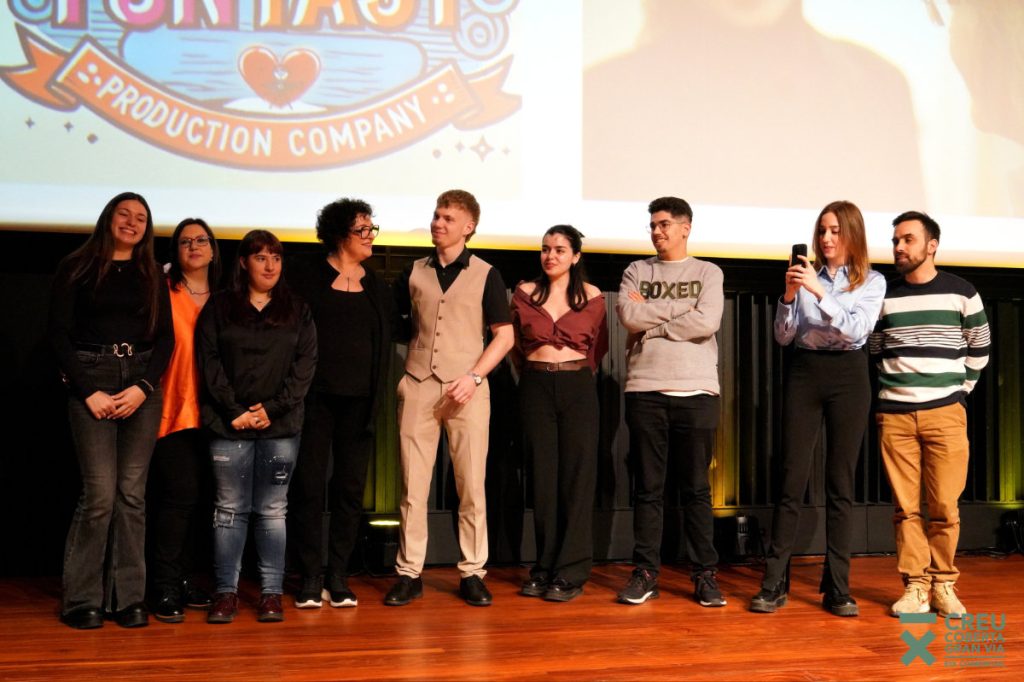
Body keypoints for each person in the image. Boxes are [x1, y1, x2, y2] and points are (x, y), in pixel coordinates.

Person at [748, 201, 885, 617]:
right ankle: (774, 581)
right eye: (822, 230)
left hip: (849, 374)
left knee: (840, 482)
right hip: (805, 371)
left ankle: (838, 586)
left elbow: (857, 330)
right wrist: (789, 297)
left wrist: (820, 292)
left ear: (853, 234)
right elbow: (783, 336)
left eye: (835, 231)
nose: (826, 238)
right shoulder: (805, 276)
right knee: (791, 478)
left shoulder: (872, 281)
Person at [48, 192, 174, 629]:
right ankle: (82, 599)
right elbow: (58, 335)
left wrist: (143, 387)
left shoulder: (152, 272)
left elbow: (166, 339)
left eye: (141, 218)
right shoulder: (77, 266)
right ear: (108, 217)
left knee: (131, 495)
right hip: (92, 378)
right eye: (125, 214)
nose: (132, 222)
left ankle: (128, 599)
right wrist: (88, 392)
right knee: (99, 495)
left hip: (141, 384)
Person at [385, 189, 514, 607]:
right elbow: (398, 325)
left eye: (447, 218)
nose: (437, 223)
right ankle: (409, 573)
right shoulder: (413, 271)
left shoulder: (486, 274)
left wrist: (474, 377)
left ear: (468, 227)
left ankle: (472, 571)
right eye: (436, 216)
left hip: (467, 389)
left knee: (471, 485)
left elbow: (504, 336)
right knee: (412, 486)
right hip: (419, 384)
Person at [869, 211, 990, 618]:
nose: (899, 247)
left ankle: (943, 585)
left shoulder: (962, 292)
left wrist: (958, 392)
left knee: (944, 506)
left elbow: (980, 348)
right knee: (906, 509)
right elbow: (876, 349)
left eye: (908, 239)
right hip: (896, 415)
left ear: (931, 245)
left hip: (945, 413)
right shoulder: (884, 294)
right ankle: (915, 586)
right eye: (895, 241)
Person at [196, 230, 317, 624]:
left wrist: (272, 409)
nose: (270, 266)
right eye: (261, 257)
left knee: (272, 511)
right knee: (229, 509)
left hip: (280, 427)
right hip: (228, 424)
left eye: (276, 258)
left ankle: (270, 594)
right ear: (244, 262)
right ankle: (225, 593)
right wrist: (235, 410)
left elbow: (305, 365)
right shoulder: (220, 306)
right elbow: (209, 361)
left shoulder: (297, 308)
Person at [614, 196, 726, 607]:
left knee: (696, 489)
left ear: (685, 227)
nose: (656, 232)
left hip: (697, 390)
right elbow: (628, 315)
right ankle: (646, 573)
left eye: (664, 224)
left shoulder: (708, 272)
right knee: (648, 489)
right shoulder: (637, 270)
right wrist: (681, 312)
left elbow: (708, 320)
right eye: (653, 225)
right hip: (645, 389)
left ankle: (705, 574)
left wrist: (656, 322)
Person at [287, 198, 395, 609]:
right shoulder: (307, 277)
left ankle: (338, 575)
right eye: (361, 229)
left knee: (350, 490)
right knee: (309, 488)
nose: (370, 236)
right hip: (314, 401)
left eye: (371, 228)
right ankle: (310, 576)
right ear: (338, 235)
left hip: (361, 404)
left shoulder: (377, 287)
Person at [511, 225, 608, 602]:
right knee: (542, 479)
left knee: (577, 478)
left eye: (560, 250)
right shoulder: (524, 293)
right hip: (535, 386)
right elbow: (514, 347)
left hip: (577, 387)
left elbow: (598, 349)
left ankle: (571, 570)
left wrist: (573, 375)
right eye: (545, 249)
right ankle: (544, 567)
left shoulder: (594, 297)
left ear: (576, 256)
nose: (550, 256)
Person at [146, 218, 220, 623]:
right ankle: (165, 586)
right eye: (185, 241)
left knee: (205, 500)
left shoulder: (226, 296)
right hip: (172, 408)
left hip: (218, 413)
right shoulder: (161, 290)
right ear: (175, 250)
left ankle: (187, 579)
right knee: (179, 497)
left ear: (213, 249)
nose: (194, 246)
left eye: (201, 240)